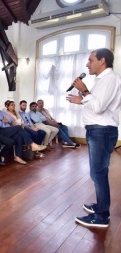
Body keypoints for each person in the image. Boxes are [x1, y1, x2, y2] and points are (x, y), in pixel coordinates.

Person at [67, 48, 121, 228]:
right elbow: (96, 102)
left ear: (102, 61)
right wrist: (82, 97)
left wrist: (84, 91)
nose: (87, 64)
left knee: (98, 173)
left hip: (102, 131)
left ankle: (101, 216)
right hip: (98, 131)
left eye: (90, 60)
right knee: (97, 172)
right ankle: (100, 206)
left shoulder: (109, 79)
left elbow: (98, 108)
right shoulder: (103, 80)